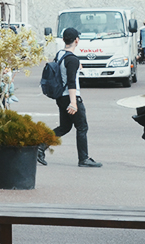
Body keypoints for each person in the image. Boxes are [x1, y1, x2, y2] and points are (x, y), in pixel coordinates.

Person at [38, 27, 102, 168]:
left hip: (60, 96)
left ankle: (40, 147)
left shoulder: (60, 54)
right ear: (77, 40)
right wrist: (74, 102)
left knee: (65, 127)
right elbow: (71, 82)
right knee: (82, 127)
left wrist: (76, 66)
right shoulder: (72, 59)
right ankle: (83, 159)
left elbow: (64, 72)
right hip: (70, 97)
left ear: (63, 40)